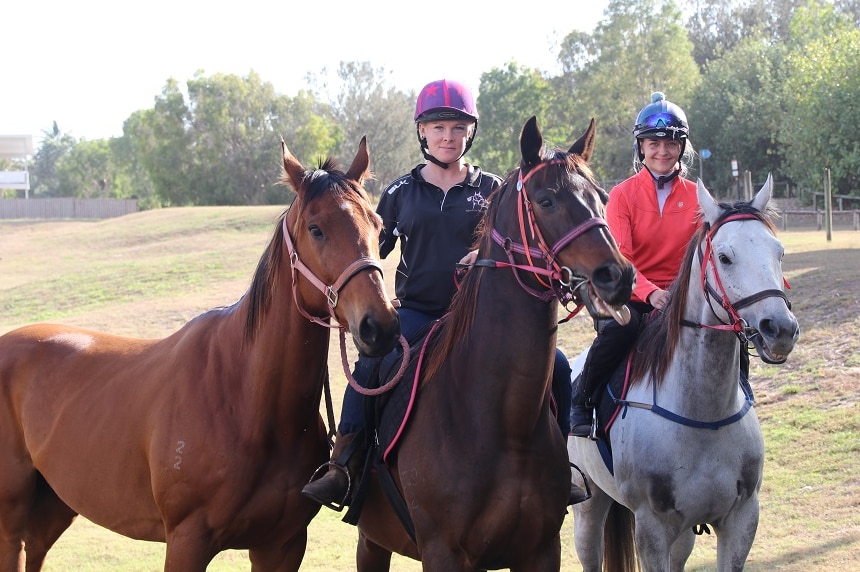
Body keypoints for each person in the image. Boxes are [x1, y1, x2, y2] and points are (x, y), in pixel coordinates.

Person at [301, 78, 579, 508]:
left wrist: (479, 255)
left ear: (470, 133)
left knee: (557, 365)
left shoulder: (492, 189)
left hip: (482, 318)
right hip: (417, 313)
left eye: (457, 128)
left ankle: (561, 465)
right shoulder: (400, 192)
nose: (448, 136)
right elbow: (374, 248)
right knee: (372, 366)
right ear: (422, 132)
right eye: (438, 127)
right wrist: (372, 293)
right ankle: (346, 464)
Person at [570, 91, 703, 438]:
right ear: (640, 147)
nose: (662, 151)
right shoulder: (622, 195)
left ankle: (742, 398)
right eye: (653, 143)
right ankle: (581, 398)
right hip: (630, 291)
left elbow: (710, 250)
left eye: (671, 143)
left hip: (681, 295)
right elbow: (622, 257)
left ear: (682, 147)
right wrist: (651, 293)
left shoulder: (698, 196)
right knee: (624, 329)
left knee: (727, 330)